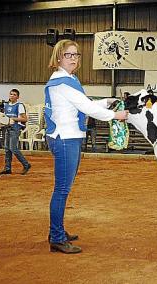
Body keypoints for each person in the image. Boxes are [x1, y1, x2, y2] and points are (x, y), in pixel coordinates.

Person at [44, 39, 128, 254]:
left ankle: (58, 230)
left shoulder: (69, 80)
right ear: (58, 57)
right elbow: (86, 107)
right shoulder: (62, 82)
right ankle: (56, 237)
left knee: (63, 188)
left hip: (68, 137)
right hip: (65, 139)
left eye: (76, 55)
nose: (73, 58)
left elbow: (84, 105)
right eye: (68, 55)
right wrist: (115, 115)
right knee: (62, 189)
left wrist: (106, 101)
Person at [0, 89, 31, 175]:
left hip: (15, 128)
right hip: (7, 128)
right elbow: (5, 118)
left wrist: (13, 119)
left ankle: (26, 164)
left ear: (17, 97)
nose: (12, 96)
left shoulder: (19, 105)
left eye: (14, 95)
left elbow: (25, 119)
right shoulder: (6, 105)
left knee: (13, 148)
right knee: (7, 149)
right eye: (11, 94)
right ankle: (7, 168)